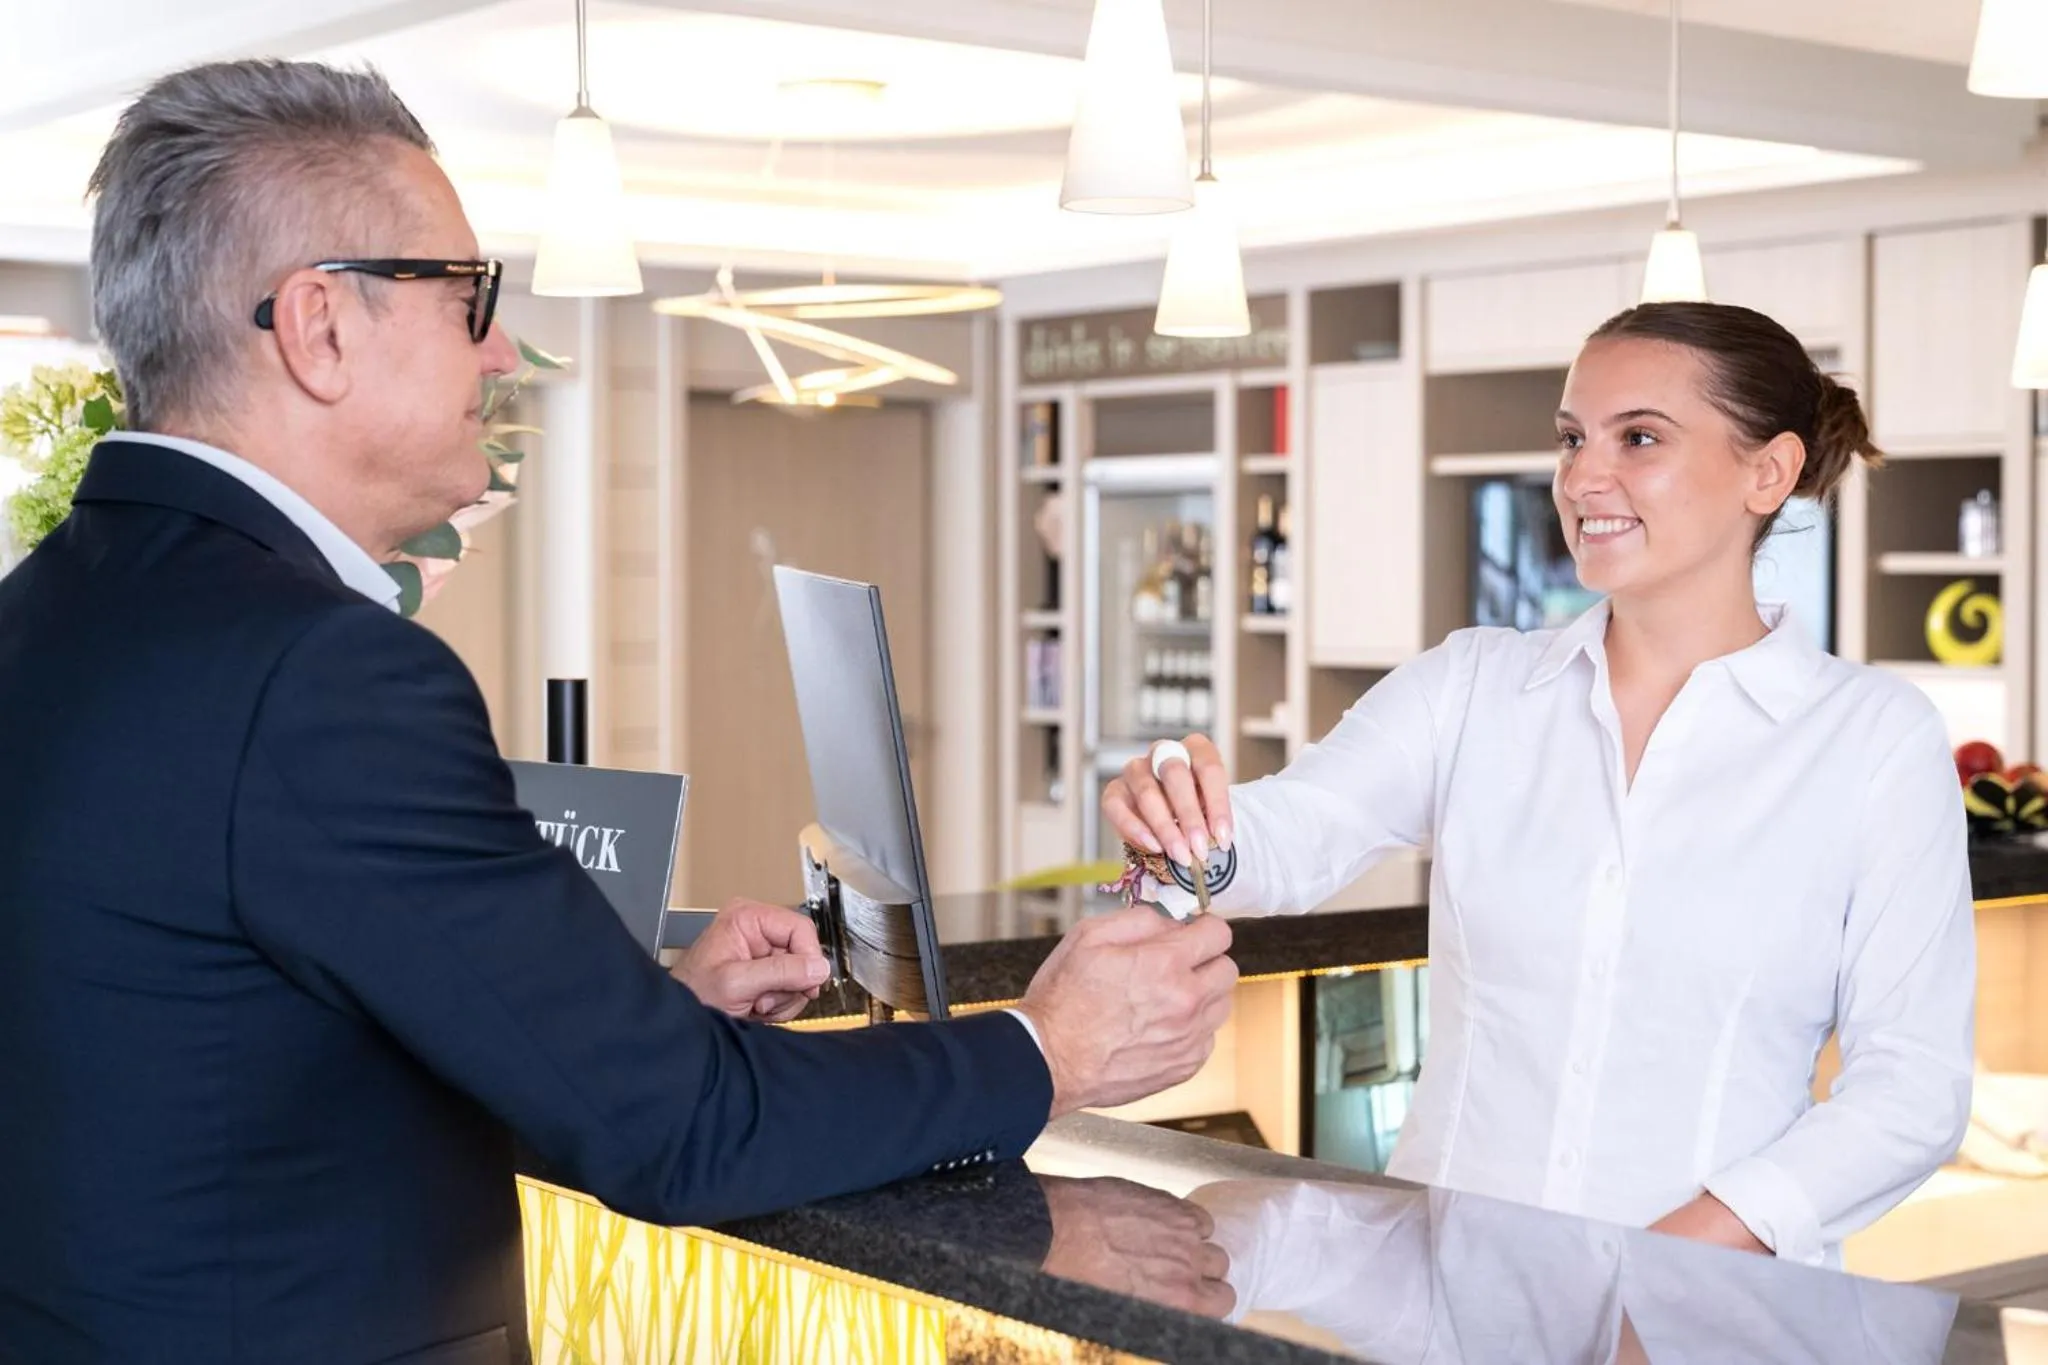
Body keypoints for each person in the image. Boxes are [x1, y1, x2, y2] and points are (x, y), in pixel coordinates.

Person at [0, 60, 1238, 1365]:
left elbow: (234, 1060)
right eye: (468, 294)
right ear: (319, 326)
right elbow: (679, 1131)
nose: (496, 347)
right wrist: (1046, 1046)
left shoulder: (47, 613)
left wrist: (645, 1022)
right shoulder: (325, 676)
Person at [1105, 301, 1975, 1267]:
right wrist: (1182, 827)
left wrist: (1681, 1256)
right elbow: (1290, 836)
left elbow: (1913, 1086)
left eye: (1637, 437)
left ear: (1766, 473)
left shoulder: (1872, 743)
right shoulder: (1472, 687)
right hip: (1452, 1296)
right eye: (1571, 439)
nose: (1581, 478)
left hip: (1709, 1317)